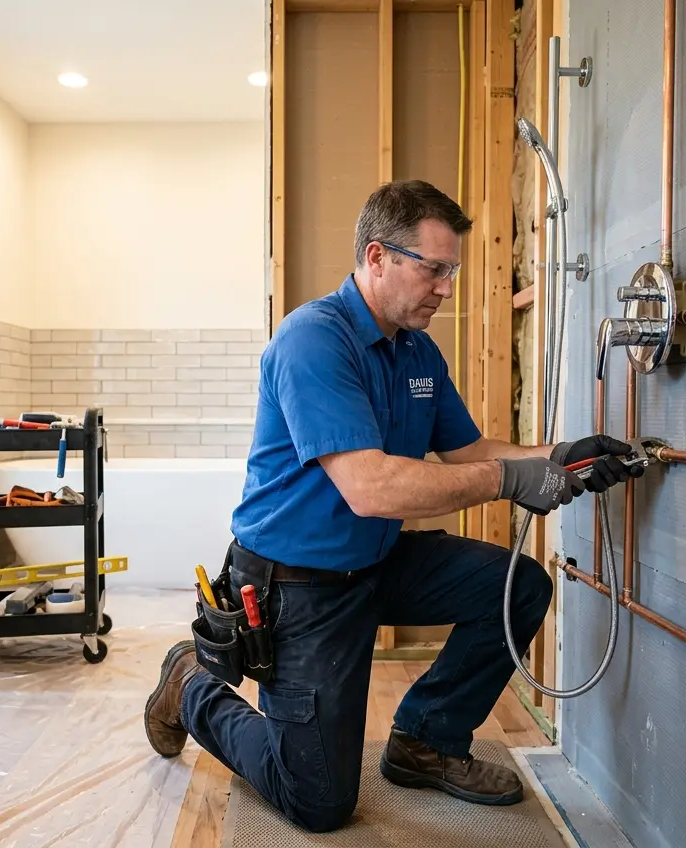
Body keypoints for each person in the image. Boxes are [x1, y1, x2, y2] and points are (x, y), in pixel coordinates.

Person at [143, 179, 640, 833]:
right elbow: (371, 487)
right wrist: (509, 479)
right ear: (377, 257)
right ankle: (191, 685)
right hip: (297, 587)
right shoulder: (313, 341)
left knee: (517, 586)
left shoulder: (417, 352)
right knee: (318, 803)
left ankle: (425, 742)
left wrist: (560, 455)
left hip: (374, 562)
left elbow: (468, 449)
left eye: (451, 270)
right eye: (434, 269)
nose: (446, 288)